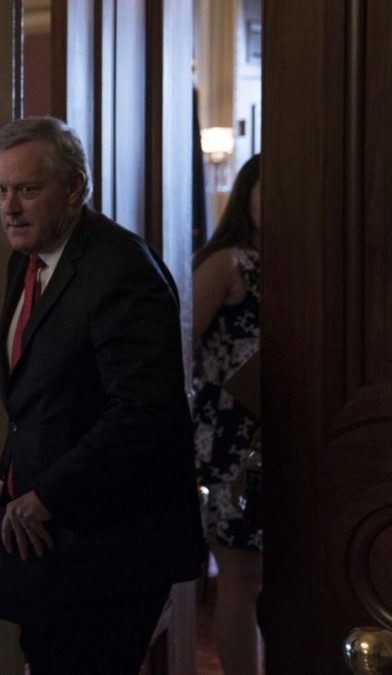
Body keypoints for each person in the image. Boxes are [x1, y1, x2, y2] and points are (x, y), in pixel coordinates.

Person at [0, 116, 204, 674]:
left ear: (74, 188)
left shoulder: (120, 268)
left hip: (111, 545)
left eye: (28, 190)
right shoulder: (24, 262)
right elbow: (38, 402)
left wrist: (48, 493)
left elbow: (145, 412)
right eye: (2, 190)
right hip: (49, 541)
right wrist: (6, 477)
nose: (11, 207)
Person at [191, 153, 262, 675]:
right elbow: (180, 343)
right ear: (248, 196)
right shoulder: (229, 262)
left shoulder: (306, 259)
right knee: (241, 580)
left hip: (293, 431)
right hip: (231, 438)